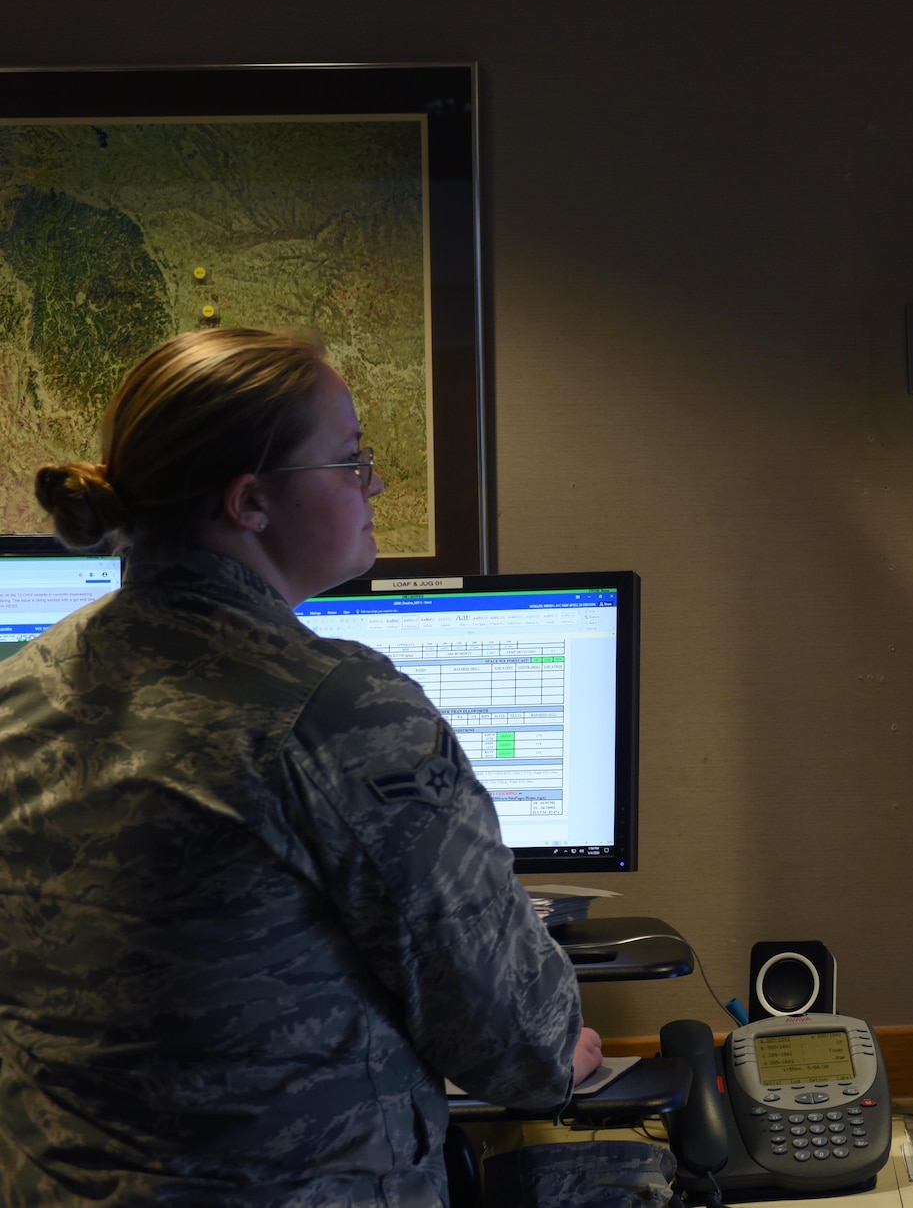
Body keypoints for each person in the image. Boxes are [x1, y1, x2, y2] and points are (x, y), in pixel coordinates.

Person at [0, 327, 601, 1205]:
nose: (375, 485)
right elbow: (513, 1039)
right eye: (350, 459)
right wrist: (559, 1045)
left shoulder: (19, 692)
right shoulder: (337, 711)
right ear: (250, 502)